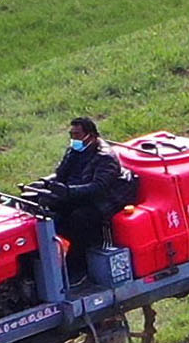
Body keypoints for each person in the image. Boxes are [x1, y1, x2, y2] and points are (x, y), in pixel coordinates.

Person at [31, 117, 138, 281]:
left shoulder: (105, 158)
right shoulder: (74, 151)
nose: (73, 139)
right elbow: (61, 173)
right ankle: (50, 259)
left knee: (78, 220)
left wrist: (68, 192)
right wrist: (44, 184)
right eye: (71, 134)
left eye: (77, 135)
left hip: (102, 202)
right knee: (47, 209)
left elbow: (98, 188)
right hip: (78, 195)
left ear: (91, 136)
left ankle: (79, 267)